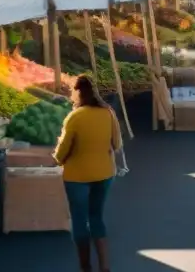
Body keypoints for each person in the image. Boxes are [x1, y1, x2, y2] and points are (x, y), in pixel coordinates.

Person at [54, 74, 122, 272]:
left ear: (77, 92)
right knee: (96, 217)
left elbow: (61, 153)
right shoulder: (108, 113)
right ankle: (105, 266)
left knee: (79, 219)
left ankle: (85, 267)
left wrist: (61, 157)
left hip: (77, 177)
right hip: (104, 174)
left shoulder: (74, 117)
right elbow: (116, 144)